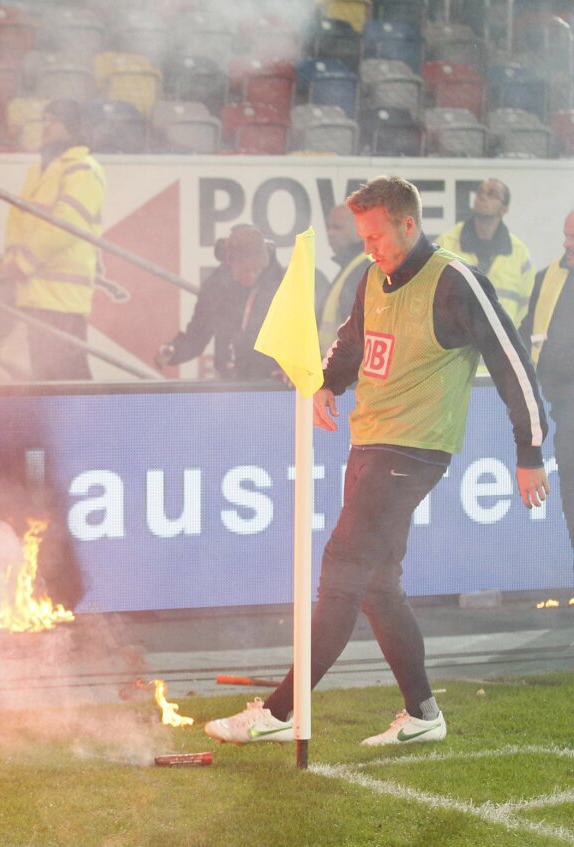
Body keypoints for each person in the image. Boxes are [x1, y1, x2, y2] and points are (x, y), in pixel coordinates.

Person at [204, 176, 550, 747]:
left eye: (376, 236)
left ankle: (280, 711)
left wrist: (529, 449)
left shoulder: (455, 280)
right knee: (378, 586)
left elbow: (512, 362)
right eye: (362, 237)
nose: (368, 248)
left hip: (414, 449)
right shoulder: (372, 278)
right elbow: (353, 341)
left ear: (408, 225)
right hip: (368, 443)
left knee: (342, 568)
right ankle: (423, 715)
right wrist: (327, 382)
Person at [0, 98, 106, 381]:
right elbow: (17, 219)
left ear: (72, 126)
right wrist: (12, 259)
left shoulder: (83, 168)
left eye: (53, 120)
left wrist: (23, 262)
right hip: (35, 293)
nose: (46, 127)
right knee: (50, 379)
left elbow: (67, 224)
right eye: (44, 120)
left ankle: (89, 413)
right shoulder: (38, 171)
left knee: (67, 381)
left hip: (63, 298)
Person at [154, 224, 283, 381]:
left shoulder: (282, 285)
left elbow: (298, 335)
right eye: (245, 270)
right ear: (231, 262)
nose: (251, 275)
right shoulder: (216, 287)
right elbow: (197, 335)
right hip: (230, 382)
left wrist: (293, 368)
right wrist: (174, 351)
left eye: (256, 269)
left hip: (272, 383)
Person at [520, 209, 574, 558]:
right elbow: (526, 333)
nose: (567, 244)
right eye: (566, 235)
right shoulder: (548, 278)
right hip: (564, 413)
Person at [437, 178, 534, 327]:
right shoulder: (447, 244)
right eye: (480, 192)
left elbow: (528, 306)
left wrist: (513, 335)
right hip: (455, 339)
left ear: (504, 209)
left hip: (502, 338)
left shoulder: (520, 254)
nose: (482, 196)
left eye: (492, 194)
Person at [317, 203, 370, 352]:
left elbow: (357, 335)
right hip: (337, 362)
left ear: (360, 229)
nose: (330, 233)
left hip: (345, 364)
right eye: (329, 227)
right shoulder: (352, 266)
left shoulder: (362, 269)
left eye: (337, 227)